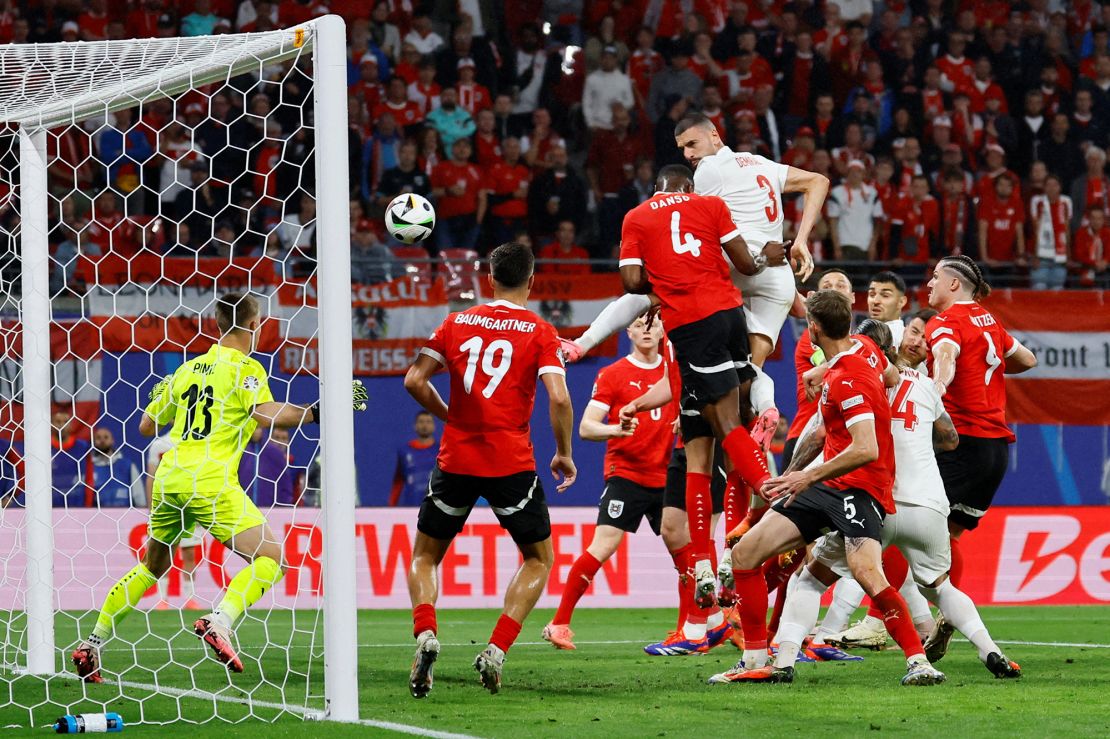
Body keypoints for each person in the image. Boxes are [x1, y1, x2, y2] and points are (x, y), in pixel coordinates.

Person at [72, 293, 368, 683]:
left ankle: (92, 644)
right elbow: (264, 413)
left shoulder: (186, 370)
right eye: (259, 322)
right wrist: (316, 412)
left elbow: (146, 427)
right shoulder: (246, 369)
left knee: (152, 567)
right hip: (209, 479)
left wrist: (161, 394)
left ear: (216, 324)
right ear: (251, 325)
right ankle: (221, 620)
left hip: (170, 475)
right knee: (272, 559)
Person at [711, 290, 945, 686]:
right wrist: (792, 476)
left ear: (813, 330)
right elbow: (884, 380)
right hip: (829, 482)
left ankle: (919, 663)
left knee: (868, 573)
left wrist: (804, 477)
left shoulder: (847, 380)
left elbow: (866, 446)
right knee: (747, 554)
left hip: (861, 486)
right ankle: (754, 659)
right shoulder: (866, 349)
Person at [779, 319, 1022, 680]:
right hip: (928, 505)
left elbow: (817, 436)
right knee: (941, 586)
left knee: (811, 580)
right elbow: (951, 439)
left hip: (877, 504)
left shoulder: (857, 381)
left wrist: (790, 475)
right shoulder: (925, 386)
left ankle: (782, 661)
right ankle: (992, 651)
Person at [402, 242, 576, 697]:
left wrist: (448, 415)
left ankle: (425, 636)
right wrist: (564, 452)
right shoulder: (540, 331)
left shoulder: (457, 322)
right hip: (510, 464)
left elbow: (414, 380)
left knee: (425, 555)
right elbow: (558, 397)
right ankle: (496, 650)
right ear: (532, 281)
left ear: (490, 278)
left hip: (456, 458)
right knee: (538, 558)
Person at [617, 164, 785, 610]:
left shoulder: (637, 216)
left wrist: (664, 285)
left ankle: (769, 501)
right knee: (722, 431)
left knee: (706, 436)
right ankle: (724, 557)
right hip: (731, 317)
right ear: (688, 187)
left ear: (657, 187)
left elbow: (631, 282)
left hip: (691, 326)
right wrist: (770, 255)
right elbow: (746, 263)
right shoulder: (711, 205)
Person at [542, 317, 735, 652]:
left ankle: (690, 630)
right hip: (627, 476)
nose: (647, 328)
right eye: (638, 323)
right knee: (602, 546)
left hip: (669, 477)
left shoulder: (676, 371)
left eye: (654, 323)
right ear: (627, 331)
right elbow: (587, 427)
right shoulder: (613, 374)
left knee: (686, 557)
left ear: (664, 330)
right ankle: (559, 624)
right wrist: (615, 429)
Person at [673, 113, 829, 452]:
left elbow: (695, 230)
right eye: (682, 149)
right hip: (779, 278)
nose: (687, 155)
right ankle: (768, 411)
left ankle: (690, 406)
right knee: (749, 371)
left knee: (692, 338)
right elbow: (818, 181)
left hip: (737, 265)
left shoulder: (709, 170)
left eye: (692, 144)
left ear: (715, 136)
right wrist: (801, 240)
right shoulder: (763, 164)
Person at [924, 256, 1038, 661]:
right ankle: (944, 617)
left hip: (962, 444)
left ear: (954, 285)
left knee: (899, 524)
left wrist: (934, 392)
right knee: (947, 536)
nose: (929, 283)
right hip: (995, 451)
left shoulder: (946, 323)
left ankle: (890, 619)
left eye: (936, 277)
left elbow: (946, 358)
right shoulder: (991, 322)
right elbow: (1027, 360)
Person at [146, 432, 203, 611]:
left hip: (190, 506)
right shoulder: (159, 445)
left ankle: (190, 598)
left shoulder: (197, 442)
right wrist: (151, 507)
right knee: (164, 552)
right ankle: (162, 598)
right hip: (166, 506)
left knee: (189, 553)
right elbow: (151, 477)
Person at [389, 411, 438, 507]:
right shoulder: (405, 451)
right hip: (411, 506)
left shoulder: (441, 450)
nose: (424, 425)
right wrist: (391, 505)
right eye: (421, 422)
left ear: (434, 426)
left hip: (435, 507)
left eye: (428, 422)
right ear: (415, 426)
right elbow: (398, 481)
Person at [90, 427, 144, 508]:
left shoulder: (127, 465)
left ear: (112, 440)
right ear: (93, 442)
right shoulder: (90, 467)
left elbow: (139, 494)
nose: (102, 440)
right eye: (98, 438)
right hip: (98, 515)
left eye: (106, 437)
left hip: (126, 515)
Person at [51, 407, 91, 507]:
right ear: (51, 425)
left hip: (78, 507)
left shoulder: (83, 447)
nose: (61, 425)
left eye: (65, 422)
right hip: (50, 507)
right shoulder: (43, 448)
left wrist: (88, 505)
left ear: (71, 425)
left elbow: (89, 478)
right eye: (58, 422)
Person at [866, 270, 908, 346]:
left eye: (885, 295)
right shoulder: (862, 333)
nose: (875, 301)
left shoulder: (905, 340)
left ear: (901, 302)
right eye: (872, 294)